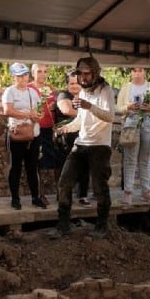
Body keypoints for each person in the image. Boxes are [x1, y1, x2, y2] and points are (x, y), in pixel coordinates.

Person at [51, 56, 116, 239]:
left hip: (100, 146)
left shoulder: (105, 91)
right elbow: (81, 121)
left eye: (86, 74)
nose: (83, 77)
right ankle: (63, 225)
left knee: (99, 188)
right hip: (81, 144)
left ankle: (101, 227)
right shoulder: (84, 92)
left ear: (95, 73)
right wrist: (66, 128)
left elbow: (110, 117)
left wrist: (89, 106)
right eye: (80, 73)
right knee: (64, 183)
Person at [115, 67, 150, 205]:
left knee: (145, 160)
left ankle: (146, 192)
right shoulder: (126, 88)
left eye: (140, 70)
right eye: (134, 70)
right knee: (130, 159)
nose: (137, 73)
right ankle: (128, 192)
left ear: (145, 72)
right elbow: (118, 108)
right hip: (131, 123)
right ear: (131, 72)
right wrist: (128, 107)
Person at [2, 62, 45, 210]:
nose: (23, 78)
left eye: (25, 75)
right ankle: (15, 198)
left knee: (32, 167)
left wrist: (39, 116)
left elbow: (40, 111)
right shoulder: (10, 92)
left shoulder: (33, 92)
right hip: (17, 135)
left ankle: (36, 197)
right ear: (13, 76)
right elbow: (8, 111)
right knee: (15, 167)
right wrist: (28, 114)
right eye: (19, 76)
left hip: (34, 134)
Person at [55, 70, 90, 205]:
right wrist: (87, 115)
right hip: (66, 139)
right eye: (71, 83)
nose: (74, 86)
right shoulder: (64, 95)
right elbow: (66, 110)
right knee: (65, 167)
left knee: (85, 166)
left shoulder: (86, 96)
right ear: (67, 84)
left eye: (77, 83)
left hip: (83, 137)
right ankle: (64, 196)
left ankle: (83, 195)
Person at [30, 63, 59, 202]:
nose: (42, 74)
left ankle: (60, 192)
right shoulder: (29, 88)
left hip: (49, 128)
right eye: (39, 71)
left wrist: (53, 107)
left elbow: (53, 108)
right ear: (33, 73)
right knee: (38, 161)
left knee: (54, 159)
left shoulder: (50, 88)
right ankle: (40, 194)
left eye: (45, 71)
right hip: (35, 129)